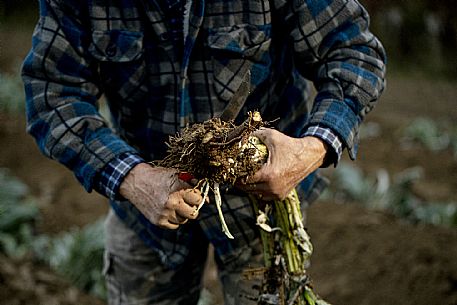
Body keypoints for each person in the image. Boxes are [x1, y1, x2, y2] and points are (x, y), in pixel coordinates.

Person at [22, 0, 386, 304]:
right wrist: (133, 178)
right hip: (145, 211)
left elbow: (353, 52)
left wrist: (311, 149)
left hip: (263, 216)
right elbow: (53, 93)